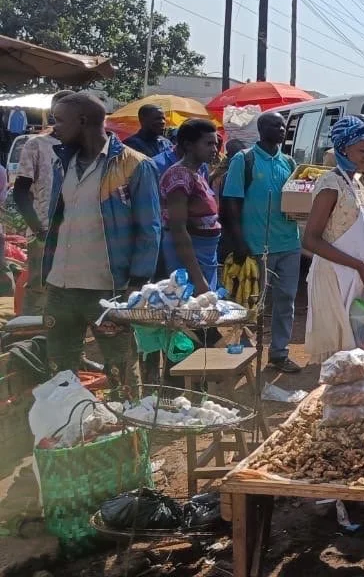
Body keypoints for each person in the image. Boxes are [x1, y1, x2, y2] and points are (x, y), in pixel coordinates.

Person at [42, 92, 160, 399]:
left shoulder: (134, 166)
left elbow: (150, 230)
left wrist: (134, 284)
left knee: (120, 371)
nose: (55, 127)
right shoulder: (63, 161)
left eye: (59, 120)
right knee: (59, 373)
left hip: (108, 291)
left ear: (83, 121)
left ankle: (130, 437)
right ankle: (70, 432)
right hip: (60, 288)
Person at [222, 112, 303, 373]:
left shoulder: (290, 163)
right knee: (250, 303)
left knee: (286, 301)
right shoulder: (243, 160)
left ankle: (279, 354)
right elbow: (231, 202)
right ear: (261, 129)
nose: (281, 129)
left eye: (282, 125)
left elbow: (298, 202)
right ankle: (244, 354)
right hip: (256, 246)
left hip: (289, 243)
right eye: (274, 125)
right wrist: (239, 241)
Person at [302, 116, 364, 364]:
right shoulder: (330, 184)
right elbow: (310, 239)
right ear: (343, 149)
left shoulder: (359, 184)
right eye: (362, 150)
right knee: (339, 356)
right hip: (335, 277)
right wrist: (358, 265)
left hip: (360, 277)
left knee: (361, 351)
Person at [13, 90, 73, 315]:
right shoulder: (37, 144)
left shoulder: (85, 147)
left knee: (68, 293)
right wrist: (38, 229)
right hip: (44, 232)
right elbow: (20, 192)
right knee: (39, 290)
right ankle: (29, 343)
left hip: (76, 234)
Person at [160, 119, 221, 294]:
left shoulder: (198, 172)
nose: (215, 150)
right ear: (188, 145)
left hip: (204, 257)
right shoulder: (179, 175)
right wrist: (198, 278)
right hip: (190, 261)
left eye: (215, 144)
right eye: (208, 144)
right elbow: (178, 229)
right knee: (189, 313)